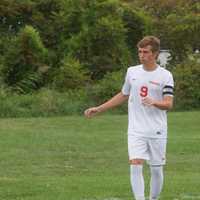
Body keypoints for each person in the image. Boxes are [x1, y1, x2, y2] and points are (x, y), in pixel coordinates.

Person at [84, 36, 174, 200]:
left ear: (155, 54)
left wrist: (154, 102)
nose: (142, 55)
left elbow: (168, 104)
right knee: (135, 165)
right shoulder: (132, 72)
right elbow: (123, 94)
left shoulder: (165, 76)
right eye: (140, 51)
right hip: (135, 130)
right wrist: (99, 108)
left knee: (156, 169)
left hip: (157, 130)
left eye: (145, 52)